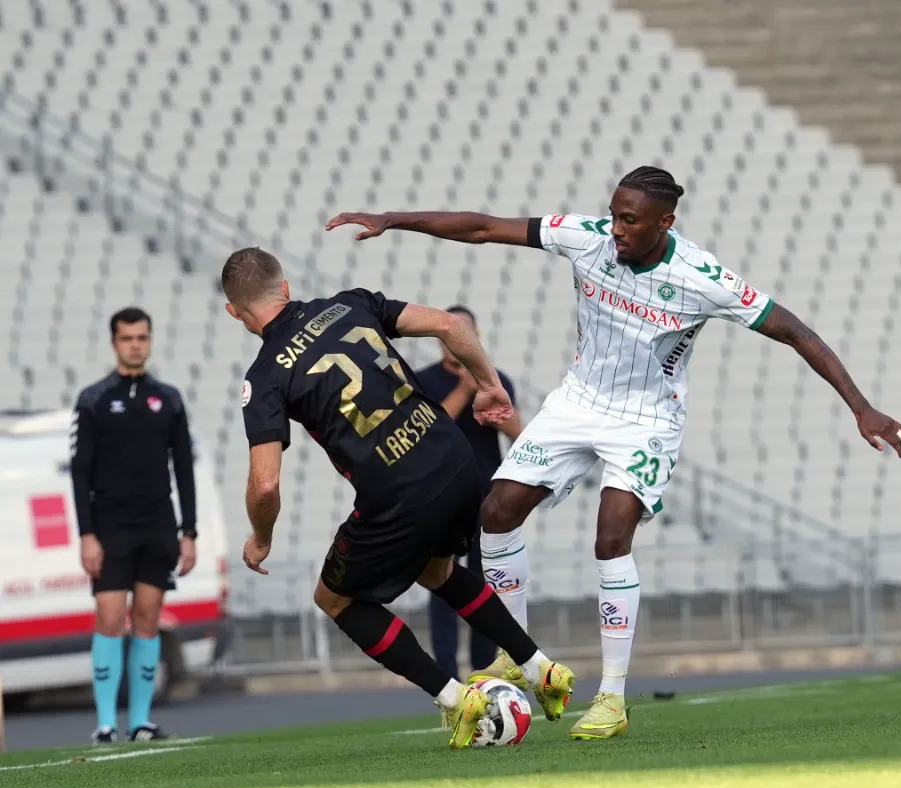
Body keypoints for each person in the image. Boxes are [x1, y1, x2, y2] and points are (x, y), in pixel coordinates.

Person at [326, 165, 901, 740]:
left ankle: (611, 697)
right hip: (577, 400)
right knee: (495, 512)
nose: (616, 229)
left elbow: (797, 333)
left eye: (630, 220)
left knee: (611, 537)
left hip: (646, 419)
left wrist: (860, 406)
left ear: (665, 222)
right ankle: (516, 655)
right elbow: (485, 228)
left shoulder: (701, 276)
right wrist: (393, 220)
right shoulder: (588, 240)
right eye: (613, 215)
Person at [219, 247, 575, 750]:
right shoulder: (351, 303)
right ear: (286, 288)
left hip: (398, 492)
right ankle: (542, 669)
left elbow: (265, 484)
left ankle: (457, 701)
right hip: (455, 462)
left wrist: (260, 537)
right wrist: (490, 385)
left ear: (234, 311)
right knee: (438, 572)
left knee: (334, 597)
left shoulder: (265, 377)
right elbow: (451, 326)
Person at [70, 307, 198, 745]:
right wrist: (87, 534)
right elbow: (79, 472)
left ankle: (141, 722)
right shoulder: (93, 400)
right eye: (127, 338)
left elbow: (184, 469)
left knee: (147, 617)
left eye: (142, 337)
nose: (136, 344)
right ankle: (106, 724)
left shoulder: (170, 398)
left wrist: (190, 532)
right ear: (114, 343)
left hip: (158, 523)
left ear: (150, 339)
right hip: (110, 525)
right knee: (109, 619)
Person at [415, 305, 523, 684]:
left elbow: (518, 431)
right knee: (442, 582)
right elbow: (427, 430)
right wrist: (464, 387)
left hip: (485, 498)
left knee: (484, 585)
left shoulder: (495, 379)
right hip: (438, 497)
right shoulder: (422, 381)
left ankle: (483, 673)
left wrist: (488, 393)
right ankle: (446, 676)